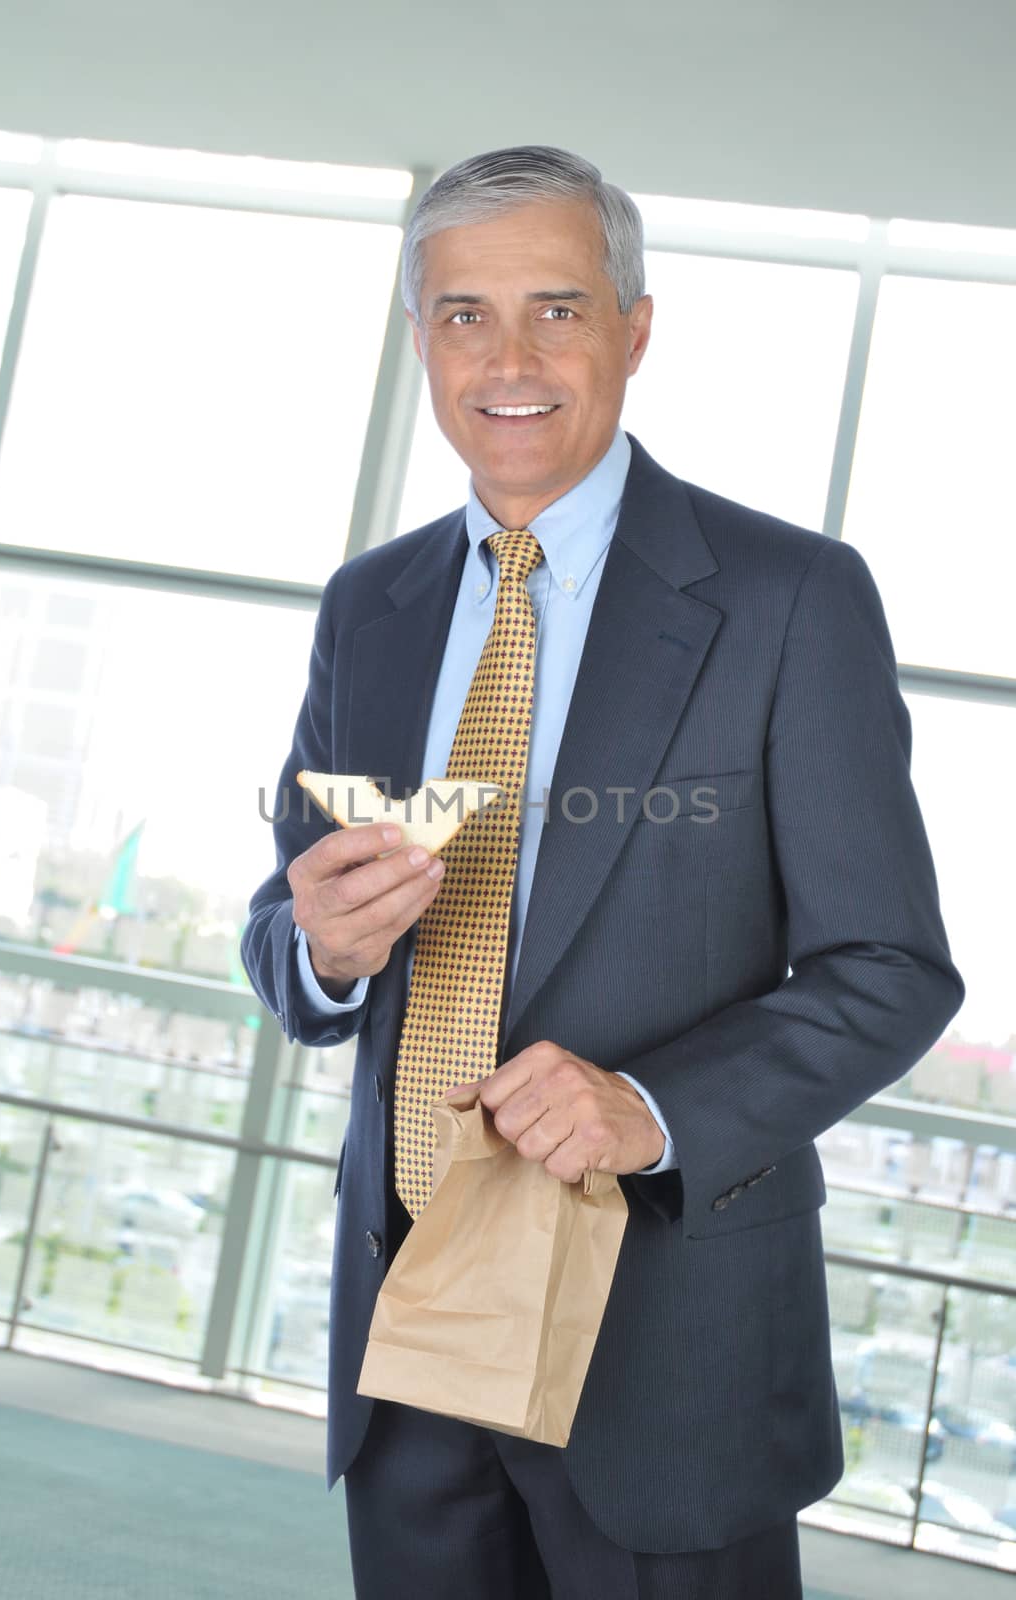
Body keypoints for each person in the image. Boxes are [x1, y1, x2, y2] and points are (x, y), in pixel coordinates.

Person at [241, 145, 963, 1599]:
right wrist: (318, 948)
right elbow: (285, 924)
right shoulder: (368, 607)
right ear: (418, 341)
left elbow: (890, 968)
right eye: (464, 315)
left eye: (558, 310)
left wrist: (649, 1107)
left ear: (635, 330)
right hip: (412, 1325)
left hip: (664, 1345)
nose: (508, 358)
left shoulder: (786, 599)